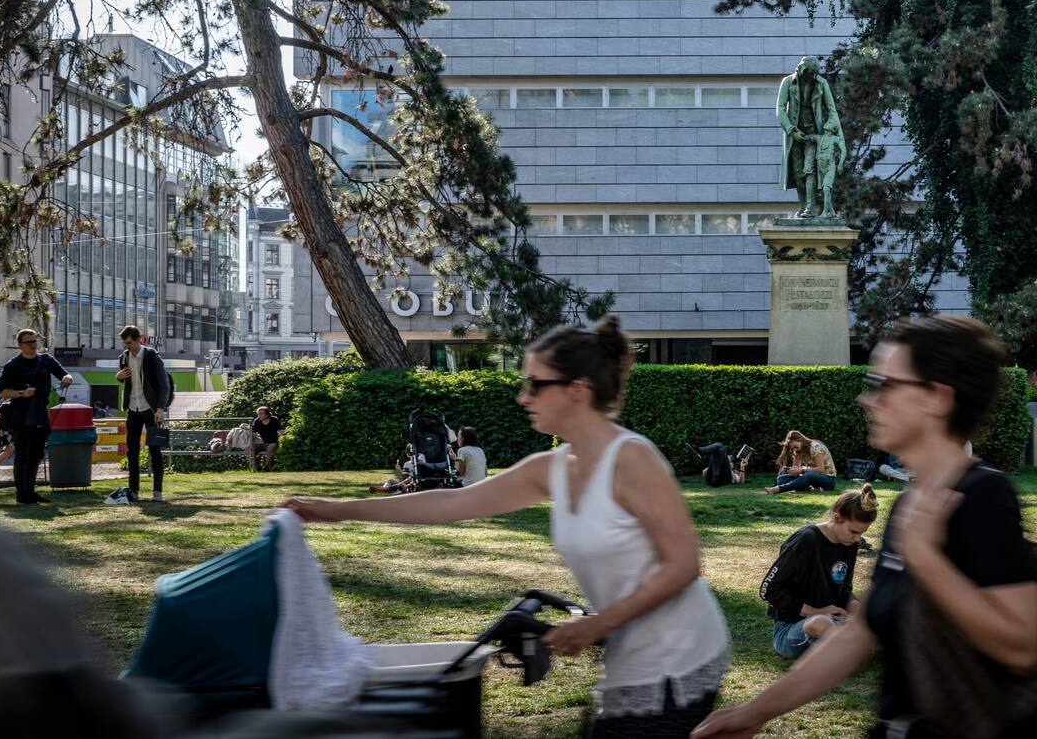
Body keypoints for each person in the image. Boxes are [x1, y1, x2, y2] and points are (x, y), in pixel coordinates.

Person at [284, 315, 729, 736]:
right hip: (632, 652)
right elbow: (455, 502)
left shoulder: (632, 458)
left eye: (535, 384)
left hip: (680, 654)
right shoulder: (551, 467)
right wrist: (335, 509)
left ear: (576, 389)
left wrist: (597, 625)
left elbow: (683, 564)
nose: (522, 396)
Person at [693, 316, 1037, 739]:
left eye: (885, 385)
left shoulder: (980, 496)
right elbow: (859, 635)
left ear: (936, 398)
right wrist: (756, 712)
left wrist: (925, 558)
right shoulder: (911, 505)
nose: (867, 400)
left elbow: (1023, 648)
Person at [759, 484, 878, 660]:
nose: (857, 539)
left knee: (875, 615)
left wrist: (857, 610)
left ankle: (855, 642)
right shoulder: (806, 540)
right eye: (854, 532)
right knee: (821, 623)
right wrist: (815, 611)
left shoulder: (850, 544)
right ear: (837, 518)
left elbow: (844, 590)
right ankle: (856, 645)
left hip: (834, 619)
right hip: (794, 627)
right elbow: (768, 590)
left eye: (861, 534)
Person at [0, 329, 73, 505]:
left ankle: (30, 492)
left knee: (37, 454)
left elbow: (64, 373)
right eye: (28, 342)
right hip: (20, 414)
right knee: (23, 455)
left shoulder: (46, 360)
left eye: (34, 341)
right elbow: (2, 392)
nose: (32, 345)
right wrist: (22, 393)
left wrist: (67, 378)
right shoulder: (12, 366)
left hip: (39, 412)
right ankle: (21, 495)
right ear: (20, 345)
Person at [116, 325, 172, 502]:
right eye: (125, 343)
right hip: (133, 408)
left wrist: (160, 409)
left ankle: (157, 492)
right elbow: (124, 381)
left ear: (139, 339)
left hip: (151, 408)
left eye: (130, 343)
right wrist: (118, 377)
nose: (127, 347)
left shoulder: (152, 357)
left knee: (155, 450)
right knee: (132, 451)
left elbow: (165, 385)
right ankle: (133, 492)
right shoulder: (124, 357)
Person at [767, 430, 836, 494]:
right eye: (792, 448)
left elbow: (821, 469)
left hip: (827, 479)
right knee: (781, 479)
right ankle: (810, 488)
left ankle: (778, 489)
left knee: (809, 475)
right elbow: (796, 471)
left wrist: (802, 470)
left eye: (795, 447)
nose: (794, 449)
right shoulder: (798, 451)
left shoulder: (815, 446)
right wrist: (791, 471)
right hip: (809, 480)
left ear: (800, 440)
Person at [250, 405, 280, 471]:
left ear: (267, 414)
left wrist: (283, 440)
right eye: (258, 414)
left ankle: (266, 467)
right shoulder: (257, 421)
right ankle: (257, 467)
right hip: (262, 443)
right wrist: (255, 437)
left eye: (261, 414)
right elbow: (253, 433)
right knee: (249, 450)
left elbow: (279, 432)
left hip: (273, 442)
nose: (259, 415)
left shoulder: (274, 420)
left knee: (270, 448)